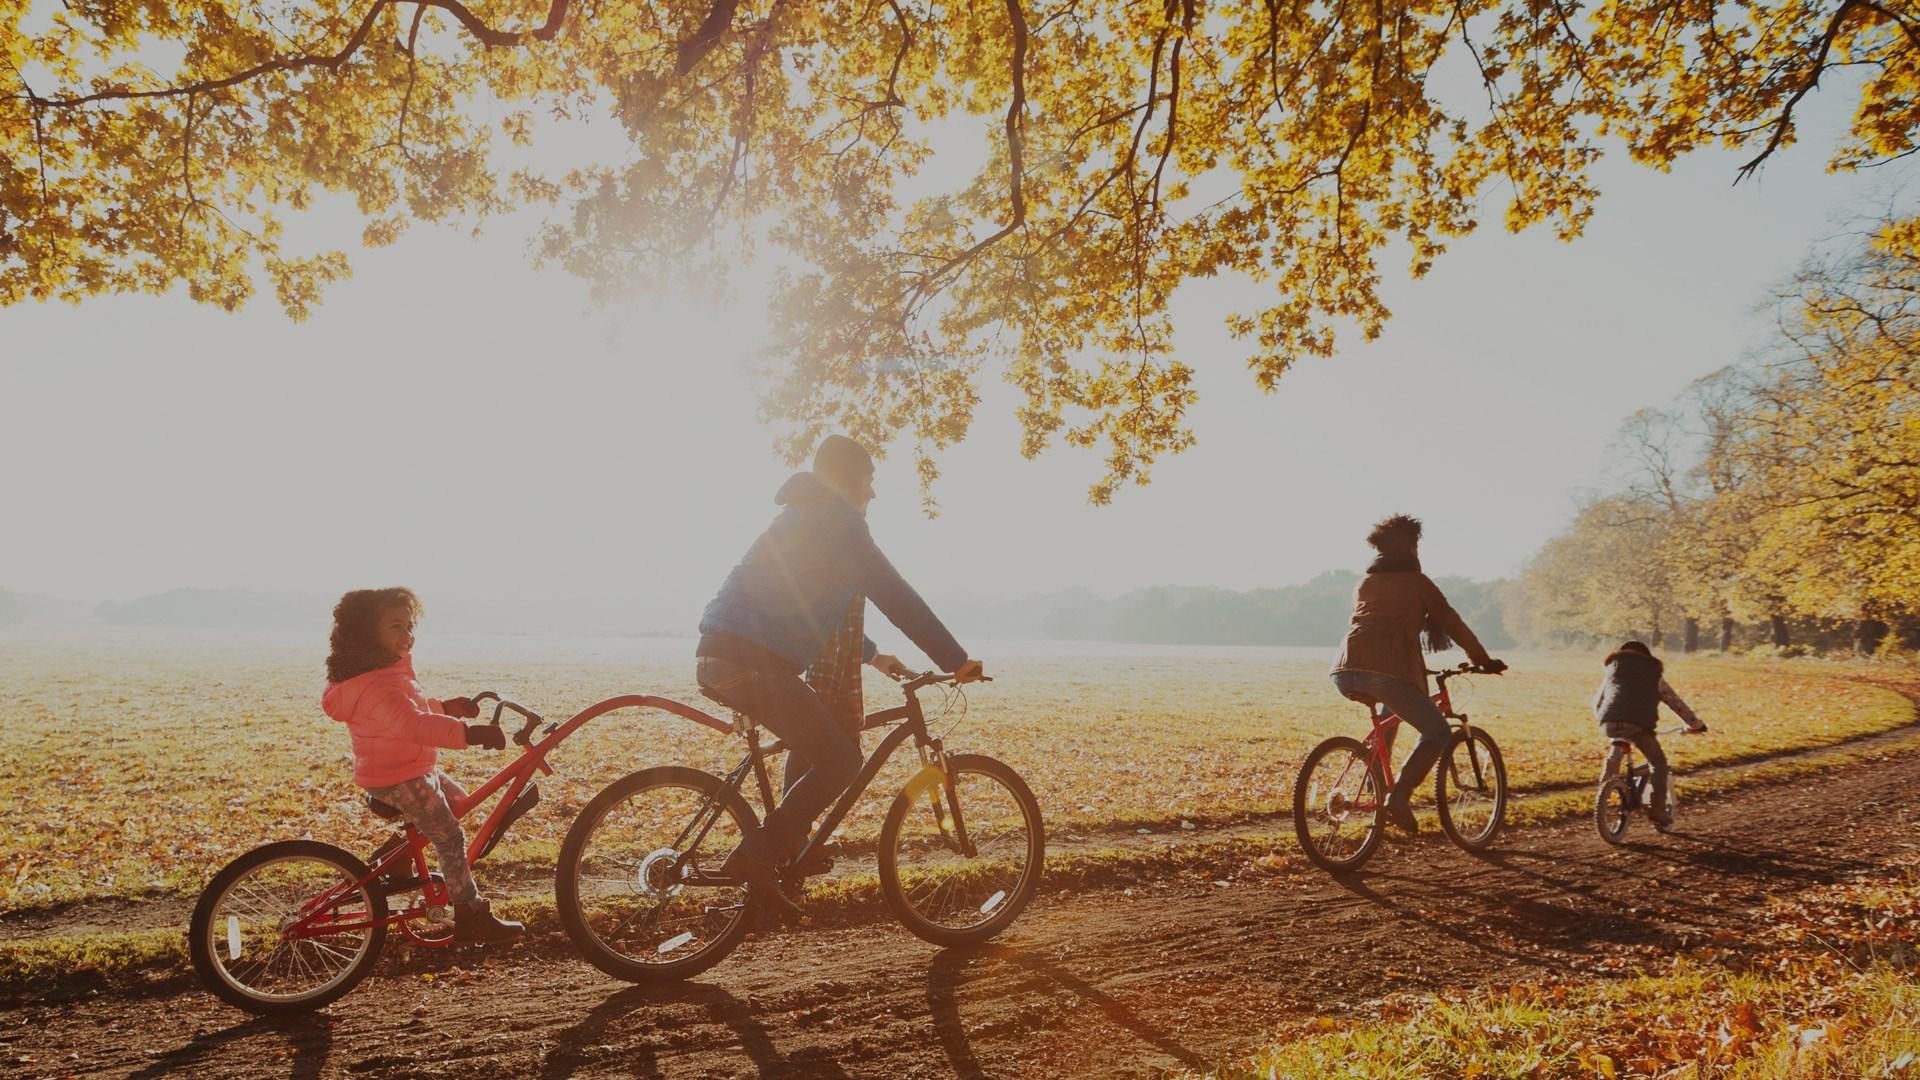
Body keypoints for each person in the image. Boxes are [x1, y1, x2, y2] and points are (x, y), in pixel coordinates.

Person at [696, 435, 985, 913]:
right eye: (868, 481)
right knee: (843, 760)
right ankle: (759, 856)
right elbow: (896, 596)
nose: (873, 493)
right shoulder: (840, 524)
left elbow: (806, 611)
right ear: (850, 481)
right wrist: (956, 659)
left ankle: (783, 856)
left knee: (817, 748)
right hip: (753, 662)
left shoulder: (800, 516)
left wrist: (872, 656)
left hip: (722, 653)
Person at [321, 587, 524, 943]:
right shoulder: (378, 684)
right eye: (396, 626)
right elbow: (412, 725)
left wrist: (446, 707)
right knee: (449, 835)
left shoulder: (383, 674)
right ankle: (471, 913)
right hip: (399, 776)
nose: (407, 635)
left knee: (457, 804)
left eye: (410, 625)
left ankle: (398, 861)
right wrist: (469, 734)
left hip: (402, 769)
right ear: (367, 633)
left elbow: (411, 709)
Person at [1329, 514, 1506, 835]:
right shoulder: (1417, 583)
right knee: (1438, 733)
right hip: (1388, 671)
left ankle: (1379, 790)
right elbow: (1451, 621)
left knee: (1389, 713)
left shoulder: (1364, 583)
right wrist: (1483, 659)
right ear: (1410, 547)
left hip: (1345, 668)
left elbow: (1377, 627)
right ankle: (1398, 799)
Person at [1594, 640, 1707, 828]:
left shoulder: (1612, 673)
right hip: (1638, 724)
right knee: (1658, 763)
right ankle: (1657, 809)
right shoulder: (1653, 674)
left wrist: (1605, 718)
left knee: (1618, 745)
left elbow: (1598, 702)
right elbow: (1675, 702)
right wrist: (1695, 724)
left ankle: (1605, 785)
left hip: (1609, 722)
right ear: (1646, 657)